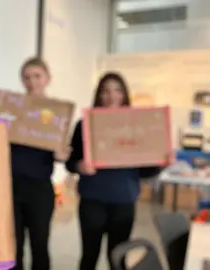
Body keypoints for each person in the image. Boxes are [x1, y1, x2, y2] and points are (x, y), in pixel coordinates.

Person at [65, 72, 166, 270]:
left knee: (118, 258)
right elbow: (70, 161)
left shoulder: (137, 126)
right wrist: (79, 166)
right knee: (89, 256)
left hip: (123, 201)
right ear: (99, 95)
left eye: (117, 90)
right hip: (93, 200)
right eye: (106, 91)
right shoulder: (85, 124)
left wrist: (162, 162)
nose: (112, 96)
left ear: (125, 95)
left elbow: (144, 170)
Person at [11, 58, 70, 270]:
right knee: (13, 247)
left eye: (37, 76)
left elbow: (62, 155)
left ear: (47, 78)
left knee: (39, 245)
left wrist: (62, 155)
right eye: (27, 77)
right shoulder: (12, 109)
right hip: (12, 187)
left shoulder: (58, 114)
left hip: (40, 189)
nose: (32, 82)